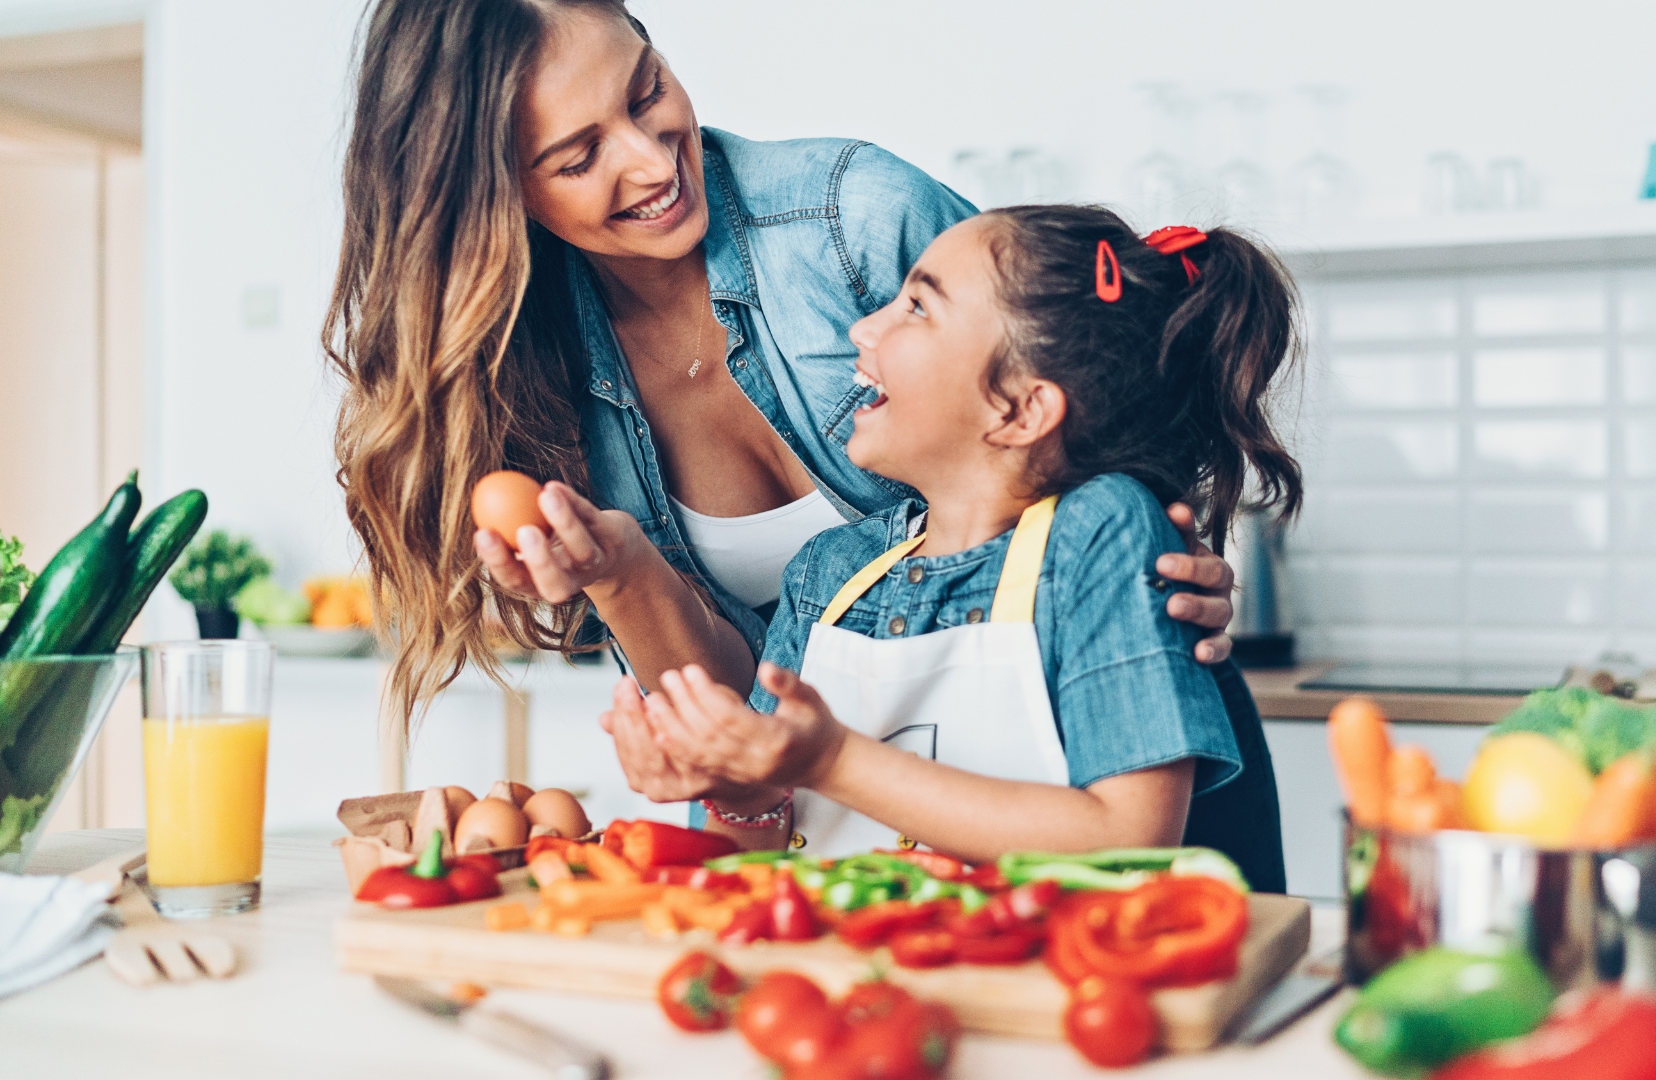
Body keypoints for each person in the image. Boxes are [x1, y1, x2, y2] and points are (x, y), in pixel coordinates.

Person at [325, 0, 1281, 887]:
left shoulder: (855, 216)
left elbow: (1077, 388)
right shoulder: (524, 375)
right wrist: (628, 586)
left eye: (648, 90)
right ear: (494, 196)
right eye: (579, 158)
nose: (654, 163)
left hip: (1144, 807)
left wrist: (1156, 555)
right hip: (899, 893)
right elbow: (766, 760)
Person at [602, 207, 1302, 868]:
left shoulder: (1098, 533)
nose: (862, 330)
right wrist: (738, 791)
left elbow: (1129, 837)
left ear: (1020, 409)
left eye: (917, 307)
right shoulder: (829, 574)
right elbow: (755, 855)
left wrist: (830, 760)